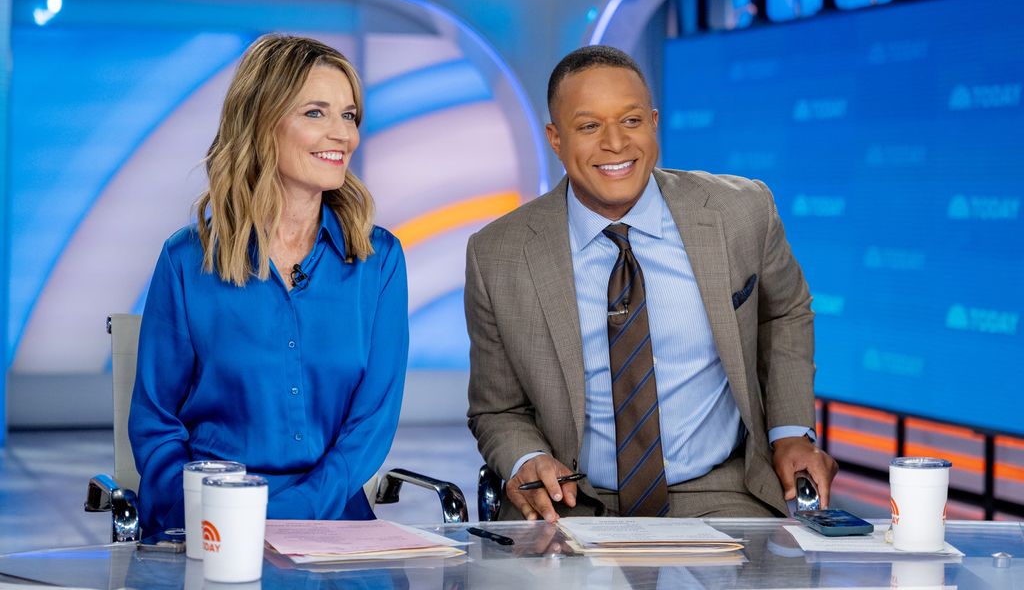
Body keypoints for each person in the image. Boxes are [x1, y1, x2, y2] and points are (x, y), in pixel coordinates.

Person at [466, 45, 837, 521]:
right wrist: (524, 458)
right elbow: (496, 410)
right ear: (555, 139)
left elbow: (785, 310)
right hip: (572, 502)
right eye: (589, 126)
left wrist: (790, 430)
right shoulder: (498, 254)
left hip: (717, 491)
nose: (616, 144)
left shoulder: (741, 212)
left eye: (632, 121)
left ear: (654, 122)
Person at [129, 34, 408, 535]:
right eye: (316, 113)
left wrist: (289, 517)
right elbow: (157, 428)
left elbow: (371, 427)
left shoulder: (378, 259)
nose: (342, 134)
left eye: (349, 116)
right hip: (211, 522)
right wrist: (213, 517)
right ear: (261, 121)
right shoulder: (185, 260)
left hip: (331, 523)